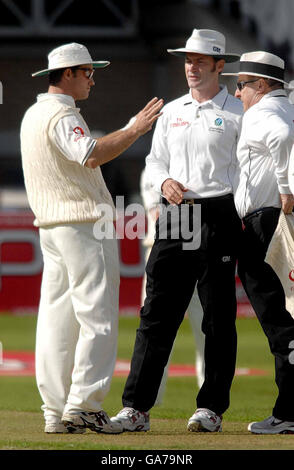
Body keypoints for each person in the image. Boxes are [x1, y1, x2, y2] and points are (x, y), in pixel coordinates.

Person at [20, 42, 163, 435]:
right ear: (68, 74)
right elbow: (92, 154)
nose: (92, 80)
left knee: (56, 321)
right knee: (97, 318)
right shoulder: (64, 115)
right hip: (83, 222)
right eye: (87, 73)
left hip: (51, 226)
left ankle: (55, 411)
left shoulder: (33, 114)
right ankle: (83, 405)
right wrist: (134, 129)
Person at [111, 29, 243, 433]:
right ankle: (136, 409)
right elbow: (154, 162)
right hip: (177, 214)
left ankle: (211, 409)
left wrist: (239, 210)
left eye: (201, 60)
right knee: (156, 314)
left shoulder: (238, 112)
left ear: (220, 66)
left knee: (218, 316)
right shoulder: (171, 111)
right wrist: (163, 182)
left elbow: (245, 168)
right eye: (188, 60)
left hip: (220, 212)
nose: (192, 66)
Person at [224, 51, 294, 434]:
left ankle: (288, 412)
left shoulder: (264, 114)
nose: (237, 93)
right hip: (280, 220)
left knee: (278, 319)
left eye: (241, 84)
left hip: (267, 222)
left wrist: (285, 187)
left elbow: (281, 139)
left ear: (262, 85)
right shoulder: (288, 108)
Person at [140, 167, 205, 403]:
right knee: (155, 330)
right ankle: (147, 400)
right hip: (163, 255)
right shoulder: (152, 171)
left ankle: (207, 400)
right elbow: (158, 214)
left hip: (199, 252)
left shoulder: (197, 165)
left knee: (205, 330)